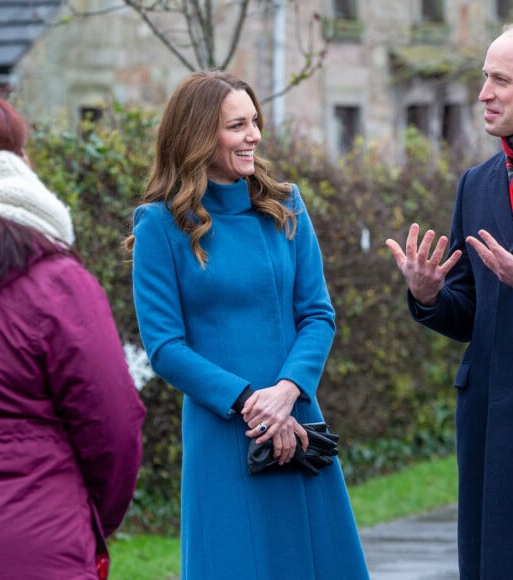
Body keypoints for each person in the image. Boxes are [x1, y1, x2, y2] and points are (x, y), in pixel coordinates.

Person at [127, 70, 368, 580]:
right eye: (237, 126)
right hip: (224, 432)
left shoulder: (286, 207)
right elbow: (166, 346)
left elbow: (318, 314)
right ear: (199, 137)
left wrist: (285, 393)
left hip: (298, 418)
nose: (253, 135)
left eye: (254, 122)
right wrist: (250, 403)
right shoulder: (160, 226)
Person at [0, 92, 146, 579]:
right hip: (34, 539)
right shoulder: (56, 283)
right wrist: (89, 515)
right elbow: (113, 425)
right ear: (15, 164)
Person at [386, 22, 513, 580]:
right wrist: (428, 295)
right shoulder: (478, 184)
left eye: (500, 80)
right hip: (493, 427)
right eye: (482, 77)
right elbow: (468, 310)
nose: (482, 94)